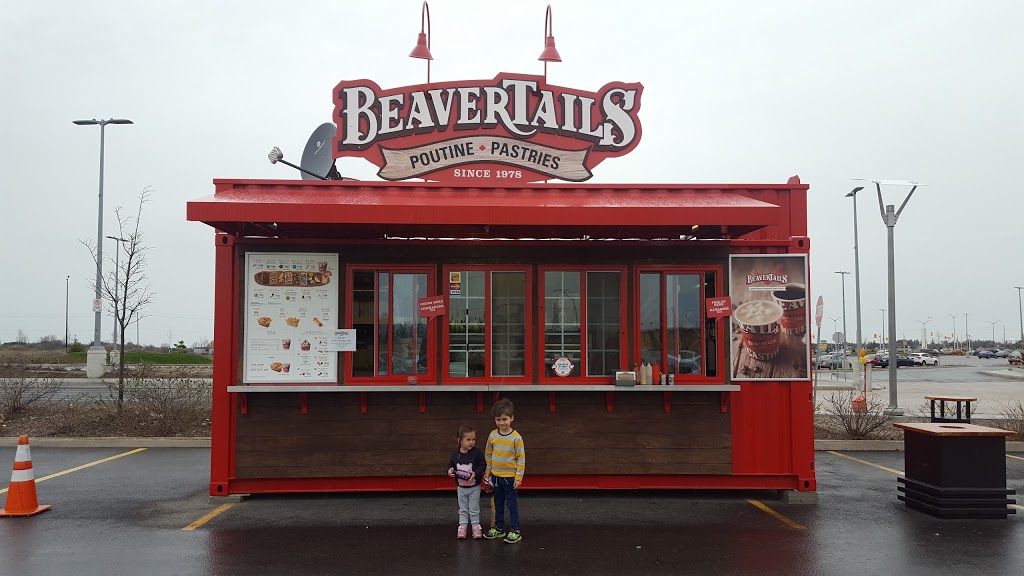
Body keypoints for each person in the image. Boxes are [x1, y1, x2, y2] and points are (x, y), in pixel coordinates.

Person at [483, 398, 525, 544]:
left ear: (511, 418)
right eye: (498, 419)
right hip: (495, 477)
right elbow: (488, 454)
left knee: (511, 505)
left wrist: (519, 477)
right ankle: (499, 529)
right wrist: (488, 471)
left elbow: (521, 459)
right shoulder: (493, 435)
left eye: (504, 419)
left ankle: (515, 530)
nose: (501, 422)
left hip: (511, 478)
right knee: (498, 503)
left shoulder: (516, 438)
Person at [447, 424, 486, 539]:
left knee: (474, 508)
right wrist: (449, 470)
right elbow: (451, 465)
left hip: (474, 487)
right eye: (468, 439)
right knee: (463, 509)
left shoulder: (477, 453)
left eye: (473, 439)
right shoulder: (455, 454)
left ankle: (475, 526)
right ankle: (462, 526)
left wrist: (476, 474)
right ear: (460, 440)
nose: (471, 442)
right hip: (461, 488)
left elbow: (482, 465)